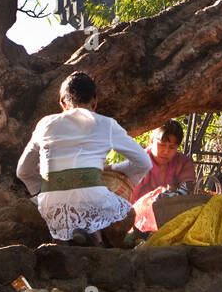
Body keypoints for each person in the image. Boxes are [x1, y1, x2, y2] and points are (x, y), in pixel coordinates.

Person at [15, 71, 150, 247]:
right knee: (115, 205)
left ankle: (66, 237)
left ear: (63, 104)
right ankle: (95, 239)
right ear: (95, 101)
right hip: (93, 199)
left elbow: (22, 171)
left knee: (75, 199)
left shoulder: (45, 124)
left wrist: (40, 192)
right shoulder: (106, 124)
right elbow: (144, 163)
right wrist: (115, 169)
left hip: (51, 204)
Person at [130, 119, 196, 232]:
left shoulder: (184, 163)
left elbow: (188, 193)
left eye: (172, 147)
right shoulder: (138, 163)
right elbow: (128, 199)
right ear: (151, 141)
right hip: (137, 222)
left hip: (174, 222)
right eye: (161, 145)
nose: (166, 151)